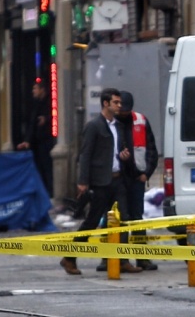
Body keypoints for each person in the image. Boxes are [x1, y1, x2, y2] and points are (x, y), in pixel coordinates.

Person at [60, 87, 141, 276]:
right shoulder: (94, 126)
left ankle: (121, 259)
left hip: (117, 179)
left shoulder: (118, 126)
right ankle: (69, 258)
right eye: (115, 102)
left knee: (123, 219)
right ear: (106, 104)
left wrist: (123, 155)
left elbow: (118, 150)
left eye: (119, 103)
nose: (119, 106)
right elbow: (86, 154)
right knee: (92, 221)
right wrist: (83, 181)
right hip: (100, 182)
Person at [96, 90, 158, 272]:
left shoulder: (140, 121)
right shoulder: (110, 124)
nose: (122, 113)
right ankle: (110, 258)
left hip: (136, 178)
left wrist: (147, 172)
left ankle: (142, 258)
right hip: (116, 179)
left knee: (137, 219)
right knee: (113, 219)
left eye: (125, 110)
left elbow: (152, 150)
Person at [16, 80, 56, 199]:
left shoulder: (50, 103)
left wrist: (47, 119)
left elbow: (54, 117)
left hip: (48, 140)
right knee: (41, 167)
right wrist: (27, 140)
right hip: (39, 142)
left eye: (35, 89)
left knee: (48, 168)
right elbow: (32, 123)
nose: (33, 91)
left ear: (42, 90)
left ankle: (51, 192)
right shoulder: (36, 104)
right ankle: (44, 192)